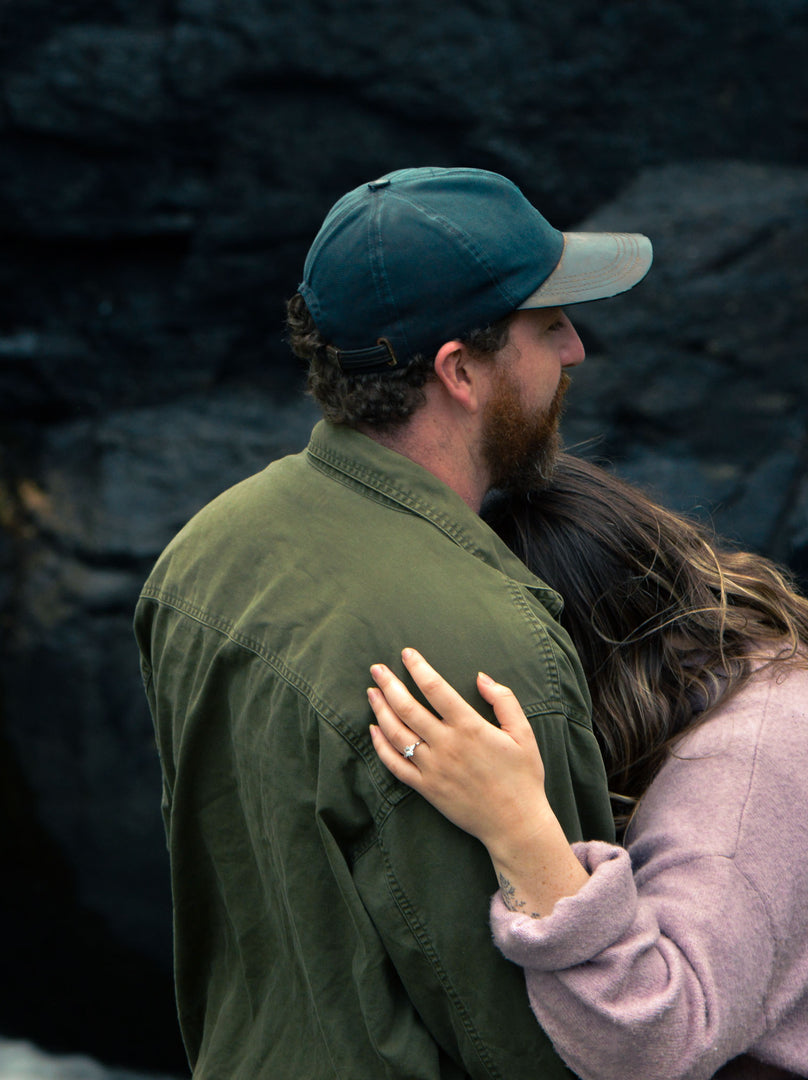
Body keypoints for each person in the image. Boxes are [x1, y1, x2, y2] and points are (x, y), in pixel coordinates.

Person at [135, 167, 652, 1078]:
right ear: (458, 371)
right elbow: (550, 1035)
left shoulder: (201, 556)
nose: (574, 349)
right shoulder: (492, 649)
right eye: (547, 325)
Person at [368, 454, 808, 1079]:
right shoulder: (751, 670)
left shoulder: (738, 784)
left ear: (569, 650)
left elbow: (655, 1040)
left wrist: (516, 824)